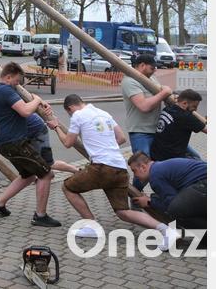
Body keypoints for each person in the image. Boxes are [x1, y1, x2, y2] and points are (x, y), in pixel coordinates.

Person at [48, 95, 179, 249]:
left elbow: (67, 143)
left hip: (101, 168)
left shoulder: (78, 115)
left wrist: (56, 127)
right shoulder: (105, 114)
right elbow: (121, 138)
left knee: (68, 187)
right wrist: (106, 147)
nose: (70, 115)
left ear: (70, 108)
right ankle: (166, 230)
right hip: (119, 167)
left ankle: (91, 226)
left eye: (69, 113)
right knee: (122, 211)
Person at [0, 62, 61, 227]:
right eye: (17, 81)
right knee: (46, 174)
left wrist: (38, 103)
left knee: (28, 176)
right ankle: (40, 216)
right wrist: (39, 99)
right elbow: (26, 111)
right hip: (14, 143)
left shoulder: (2, 90)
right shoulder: (5, 90)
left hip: (8, 143)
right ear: (8, 76)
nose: (18, 84)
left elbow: (26, 104)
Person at [0, 93, 78, 176]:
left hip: (38, 131)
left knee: (48, 162)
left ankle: (75, 170)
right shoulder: (1, 107)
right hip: (24, 135)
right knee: (32, 160)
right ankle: (45, 175)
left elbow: (30, 96)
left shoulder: (11, 107)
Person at [121, 54, 172, 188]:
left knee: (161, 163)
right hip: (140, 132)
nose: (155, 70)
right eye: (152, 68)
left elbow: (162, 95)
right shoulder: (129, 81)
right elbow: (144, 106)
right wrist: (163, 93)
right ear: (142, 65)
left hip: (157, 130)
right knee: (142, 166)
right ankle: (136, 196)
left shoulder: (152, 78)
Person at [128, 153, 207, 232]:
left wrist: (149, 202)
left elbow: (170, 203)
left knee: (175, 210)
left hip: (203, 184)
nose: (135, 175)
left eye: (134, 171)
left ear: (143, 167)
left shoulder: (155, 176)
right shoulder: (159, 167)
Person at [151, 89, 206, 161]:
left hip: (157, 153)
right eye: (194, 106)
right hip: (171, 158)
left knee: (197, 157)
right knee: (200, 165)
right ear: (184, 103)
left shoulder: (168, 108)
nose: (195, 110)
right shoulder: (186, 117)